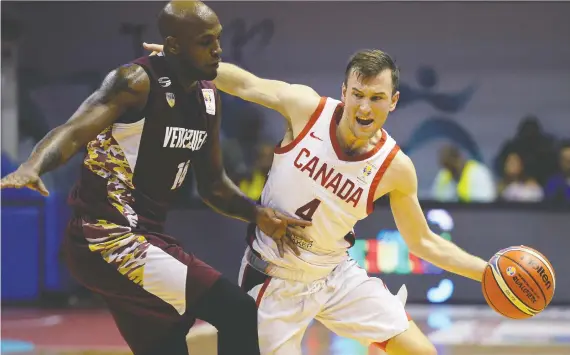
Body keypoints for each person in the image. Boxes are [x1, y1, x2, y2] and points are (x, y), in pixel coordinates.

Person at [0, 2, 311, 355]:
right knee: (236, 310)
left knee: (166, 347)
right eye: (205, 42)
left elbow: (212, 186)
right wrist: (33, 165)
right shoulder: (135, 83)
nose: (217, 50)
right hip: (105, 236)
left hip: (146, 235)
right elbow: (73, 131)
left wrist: (257, 214)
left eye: (218, 40)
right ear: (174, 46)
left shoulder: (208, 97)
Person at [143, 42, 490, 354]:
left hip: (336, 275)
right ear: (344, 91)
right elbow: (247, 84)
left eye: (376, 98)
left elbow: (425, 242)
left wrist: (488, 274)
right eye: (357, 94)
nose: (364, 107)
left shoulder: (396, 167)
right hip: (275, 277)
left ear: (393, 101)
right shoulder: (307, 110)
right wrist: (190, 64)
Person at [431, 144, 497, 203]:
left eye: (451, 165)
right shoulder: (443, 175)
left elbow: (484, 204)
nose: (450, 170)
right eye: (446, 166)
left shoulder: (478, 173)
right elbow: (435, 201)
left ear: (458, 159)